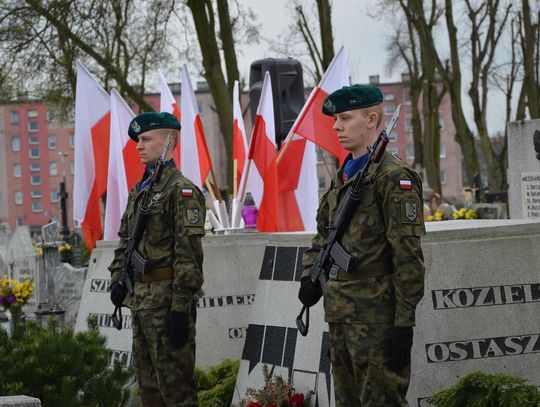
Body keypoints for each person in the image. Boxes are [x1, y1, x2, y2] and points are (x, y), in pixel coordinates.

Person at [298, 84, 426, 406]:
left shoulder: (394, 178)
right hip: (340, 317)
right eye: (335, 119)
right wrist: (309, 276)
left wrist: (404, 324)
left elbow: (408, 257)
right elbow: (323, 236)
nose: (336, 126)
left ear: (371, 120)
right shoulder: (343, 178)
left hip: (377, 321)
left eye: (345, 118)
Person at [109, 112, 206, 407]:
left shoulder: (182, 191)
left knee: (176, 390)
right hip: (141, 301)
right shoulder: (140, 191)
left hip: (166, 303)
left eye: (147, 139)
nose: (139, 146)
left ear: (170, 141)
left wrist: (180, 310)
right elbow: (125, 241)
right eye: (138, 140)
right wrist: (118, 280)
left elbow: (189, 257)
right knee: (149, 388)